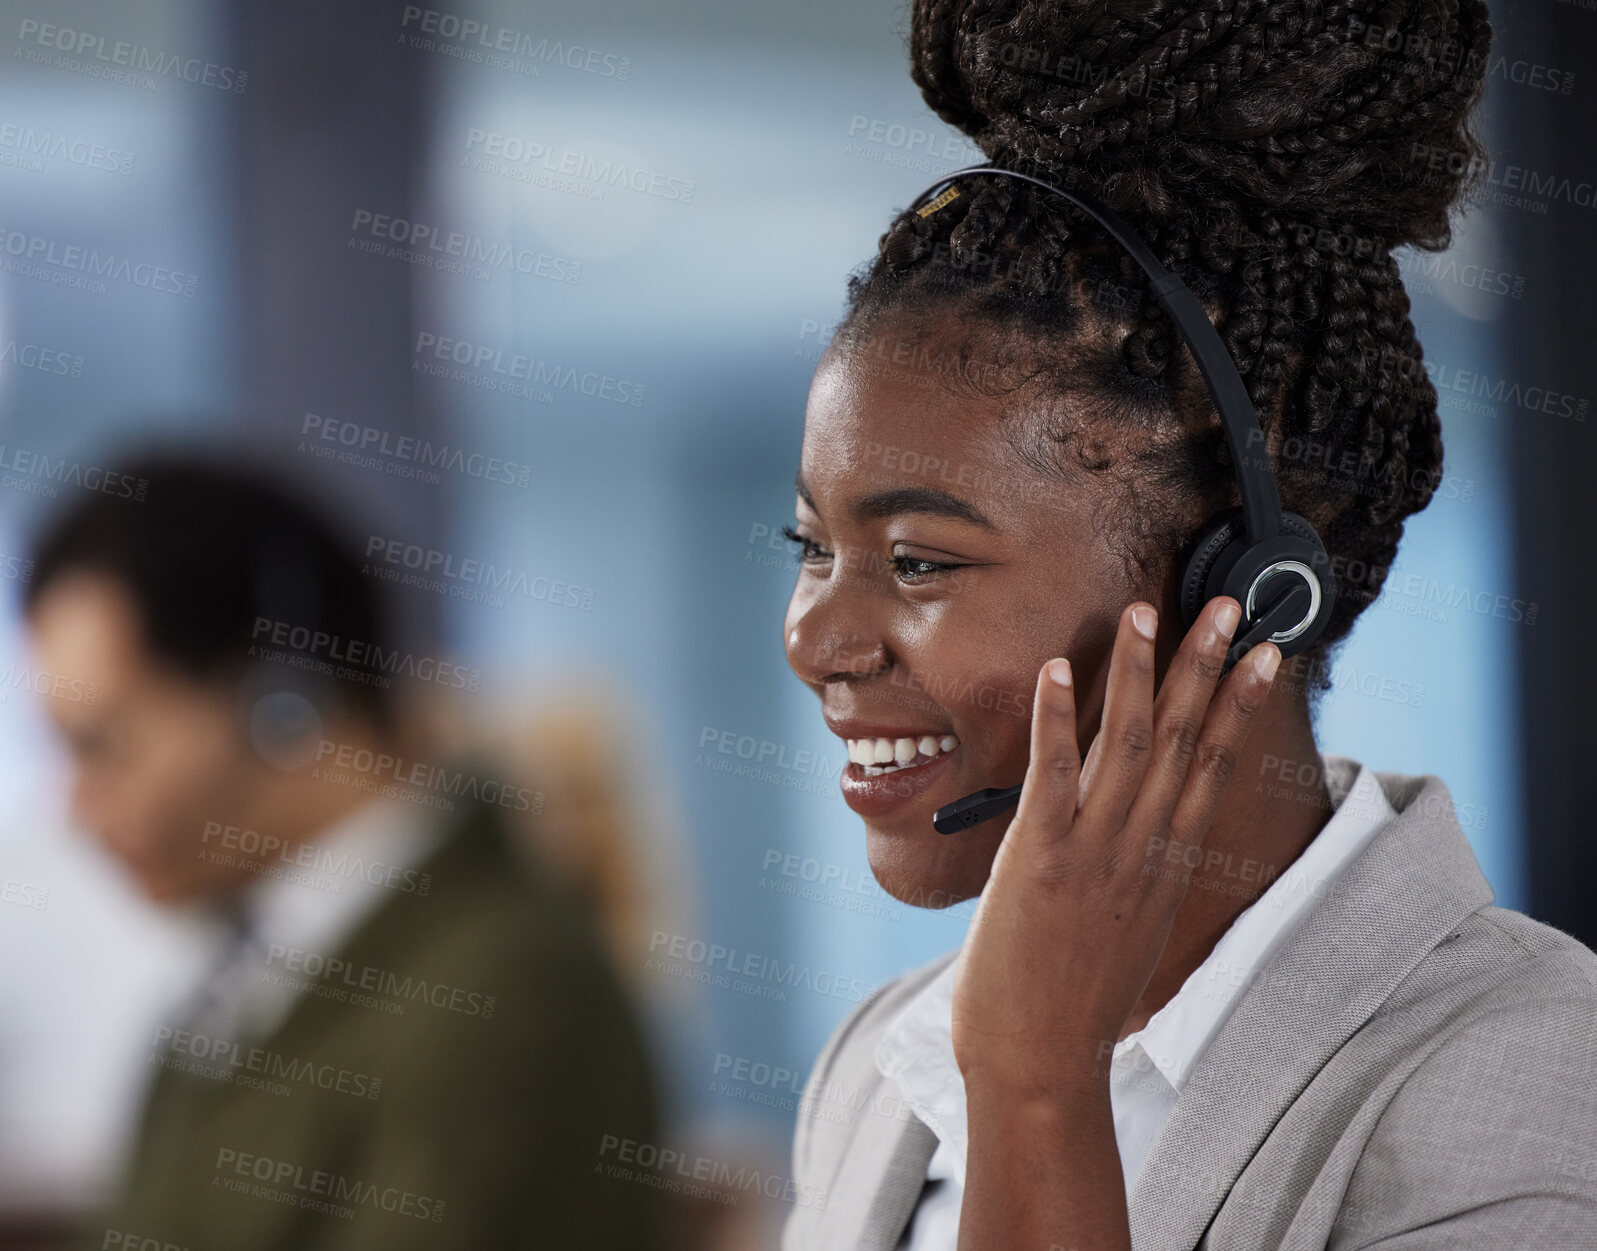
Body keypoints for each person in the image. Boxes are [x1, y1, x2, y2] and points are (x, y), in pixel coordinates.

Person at [778, 2, 1597, 1248]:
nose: (817, 640)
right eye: (812, 550)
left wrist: (1037, 1094)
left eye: (918, 561)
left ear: (1246, 587)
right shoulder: (878, 1070)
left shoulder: (1527, 1087)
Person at [23, 454, 662, 1251]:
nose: (77, 810)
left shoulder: (512, 988)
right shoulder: (246, 977)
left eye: (105, 747)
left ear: (284, 703)